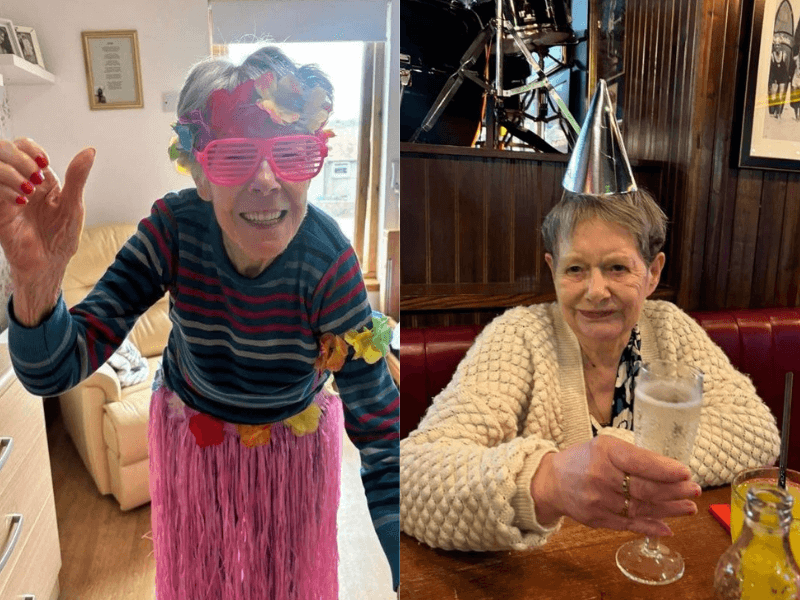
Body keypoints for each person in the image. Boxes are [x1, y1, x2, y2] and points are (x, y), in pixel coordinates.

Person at [1, 45, 399, 598]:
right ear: (199, 173)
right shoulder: (174, 229)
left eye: (290, 153)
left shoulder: (329, 261)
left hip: (292, 460)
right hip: (194, 449)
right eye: (234, 157)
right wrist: (36, 282)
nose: (265, 179)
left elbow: (382, 439)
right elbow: (52, 371)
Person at [400, 81, 780, 554]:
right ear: (551, 270)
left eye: (617, 267)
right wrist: (546, 483)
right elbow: (413, 473)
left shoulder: (671, 329)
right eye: (575, 268)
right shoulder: (518, 337)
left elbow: (757, 433)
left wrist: (621, 459)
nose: (595, 291)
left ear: (652, 272)